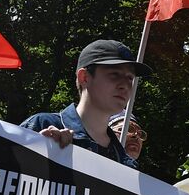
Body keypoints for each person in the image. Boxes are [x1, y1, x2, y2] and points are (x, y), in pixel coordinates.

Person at [20, 39, 151, 167]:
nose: (125, 85)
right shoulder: (43, 125)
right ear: (84, 77)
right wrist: (32, 154)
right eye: (115, 74)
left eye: (130, 78)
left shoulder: (126, 163)